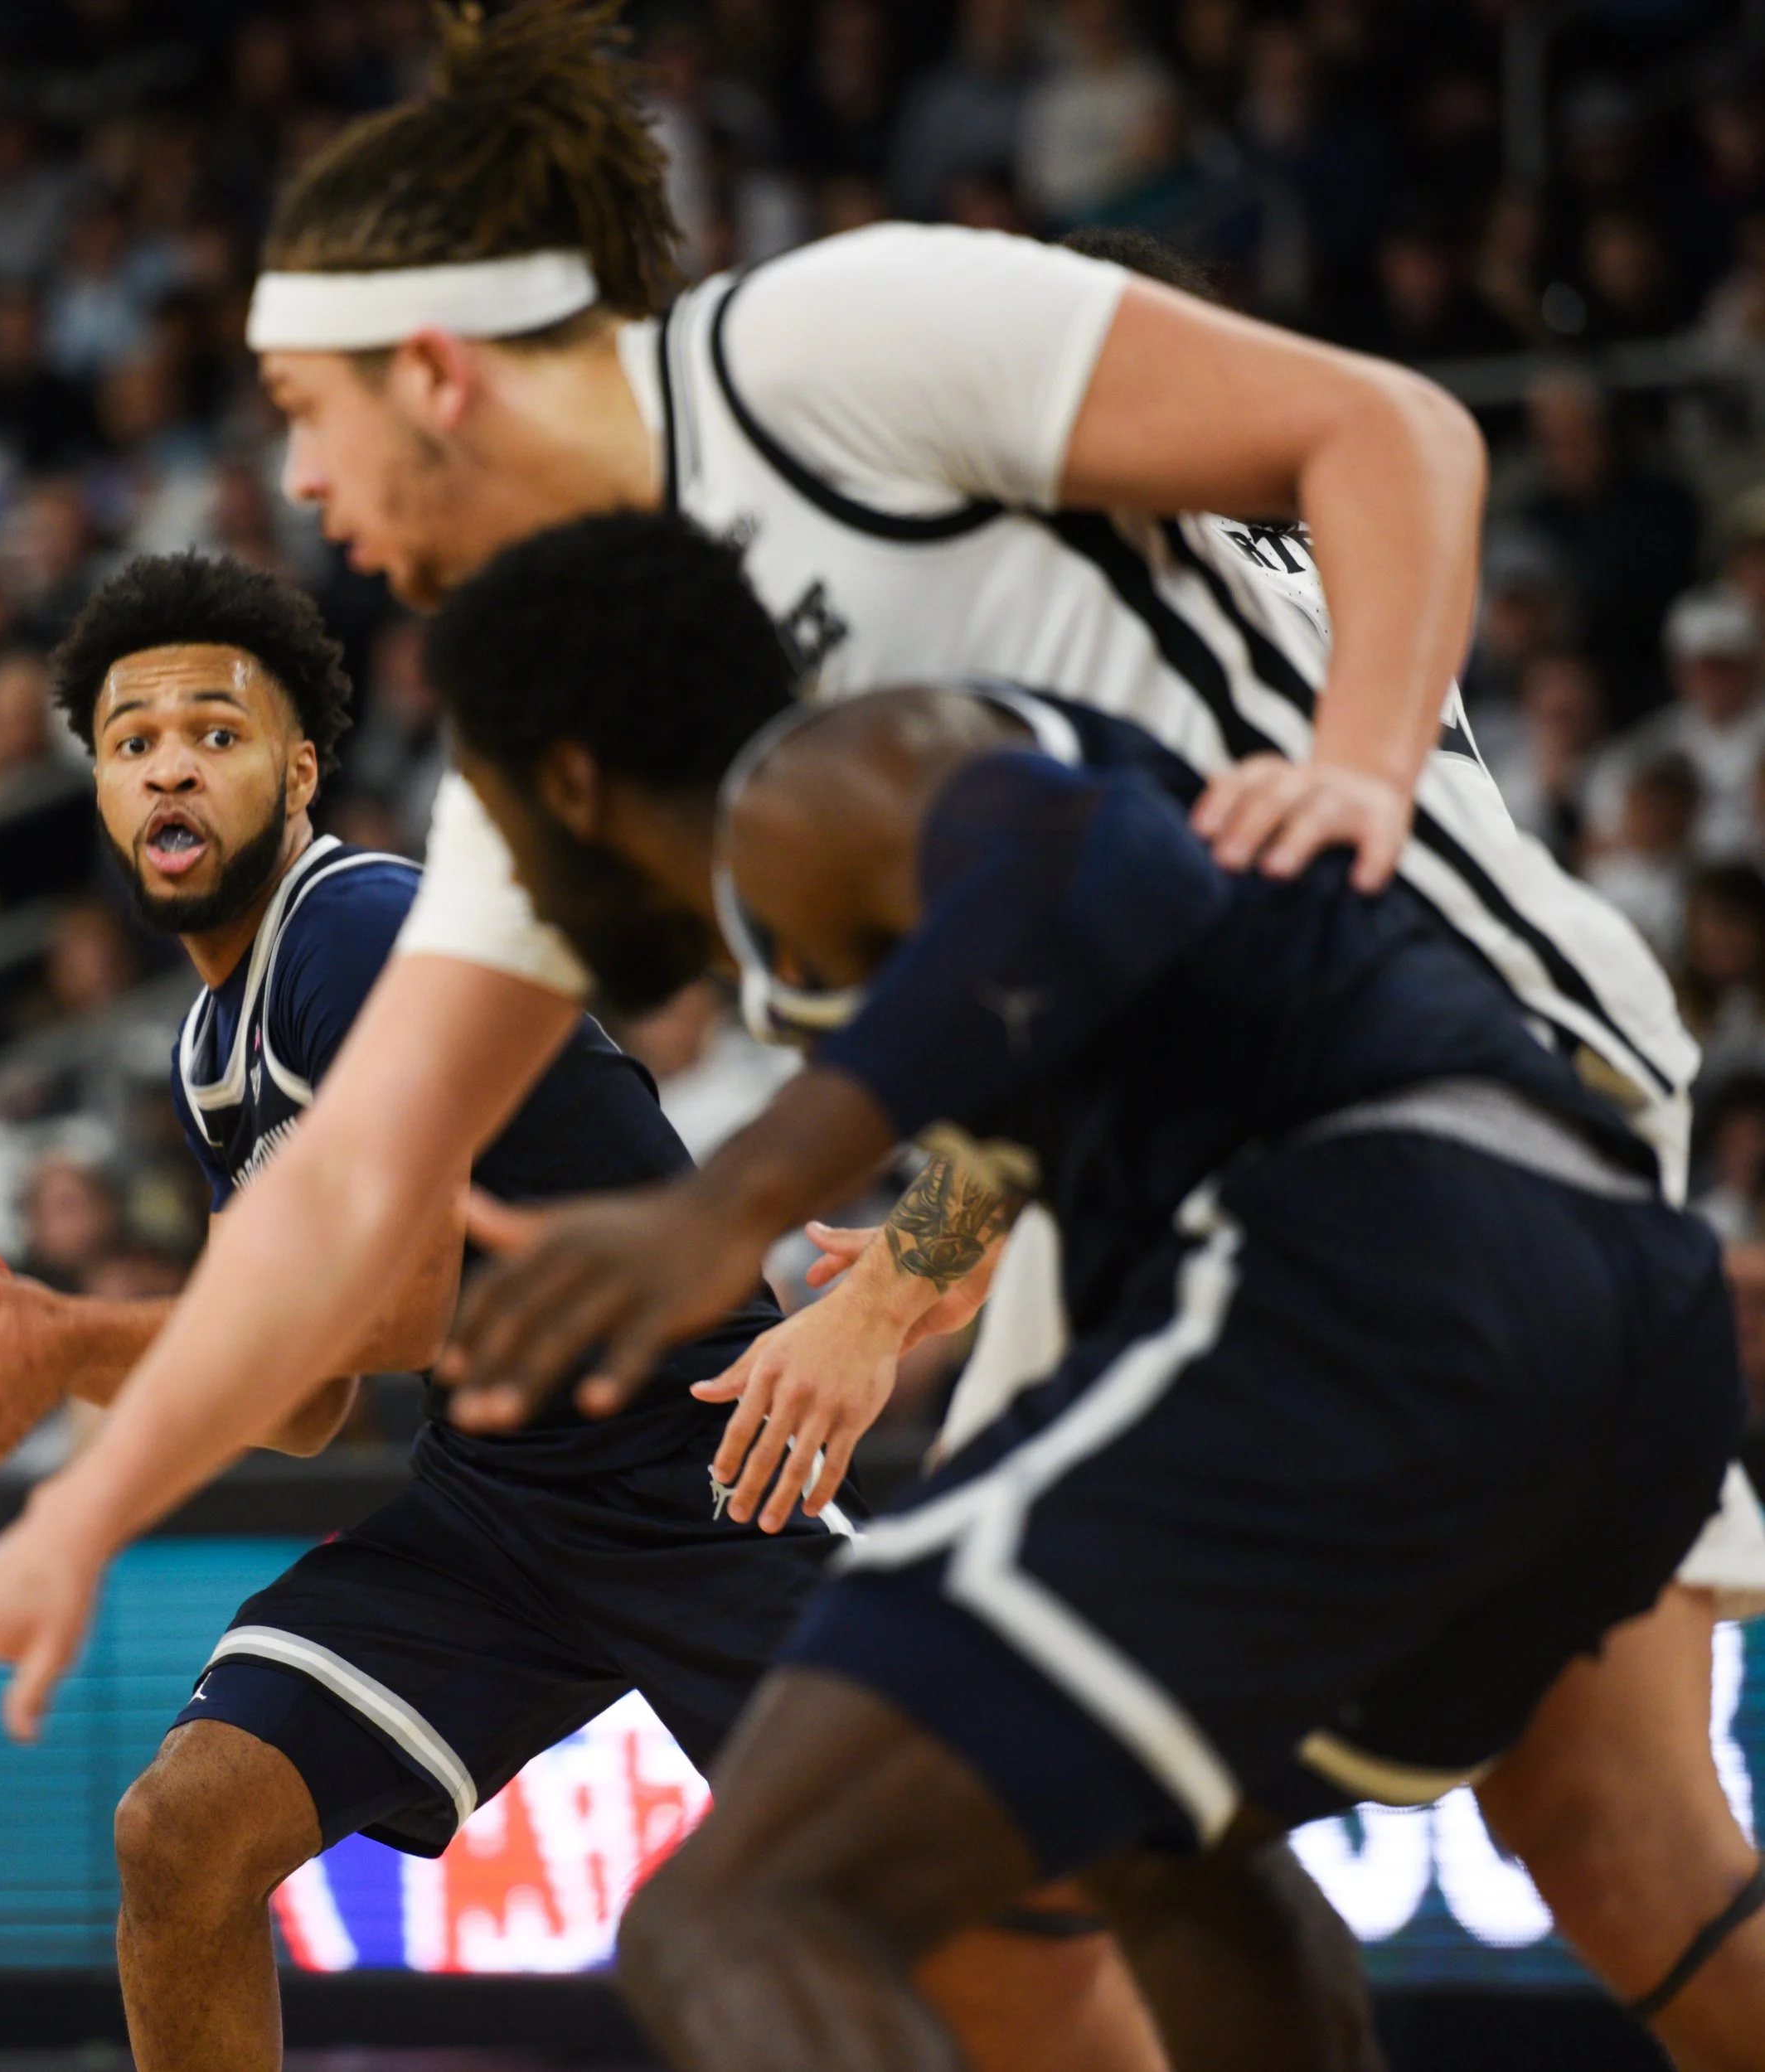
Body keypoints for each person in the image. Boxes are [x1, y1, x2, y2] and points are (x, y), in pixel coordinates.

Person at [0, 7, 1765, 2061]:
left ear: (435, 369)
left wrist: (1345, 782)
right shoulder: (564, 710)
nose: (293, 479)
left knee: (831, 1892)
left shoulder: (810, 358)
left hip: (1420, 1082)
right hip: (1169, 1159)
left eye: (305, 410)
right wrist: (72, 1510)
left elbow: (1366, 470)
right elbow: (353, 1193)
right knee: (1516, 1848)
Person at [410, 509, 1753, 2071]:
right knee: (1162, 1840)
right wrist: (906, 1273)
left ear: (566, 781)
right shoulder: (1007, 752)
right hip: (1599, 1276)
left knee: (747, 1909)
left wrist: (731, 1207)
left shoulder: (820, 775)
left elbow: (1105, 879)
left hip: (1382, 1254)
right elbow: (1085, 974)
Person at [0, 550, 1161, 2072]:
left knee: (950, 1925)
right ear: (96, 786)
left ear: (299, 770)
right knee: (181, 1831)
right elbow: (306, 1405)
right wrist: (66, 1368)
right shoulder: (213, 1046)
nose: (171, 769)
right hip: (495, 1500)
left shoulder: (356, 924)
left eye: (215, 733)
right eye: (132, 740)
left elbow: (400, 1308)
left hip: (699, 1464)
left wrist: (73, 1340)